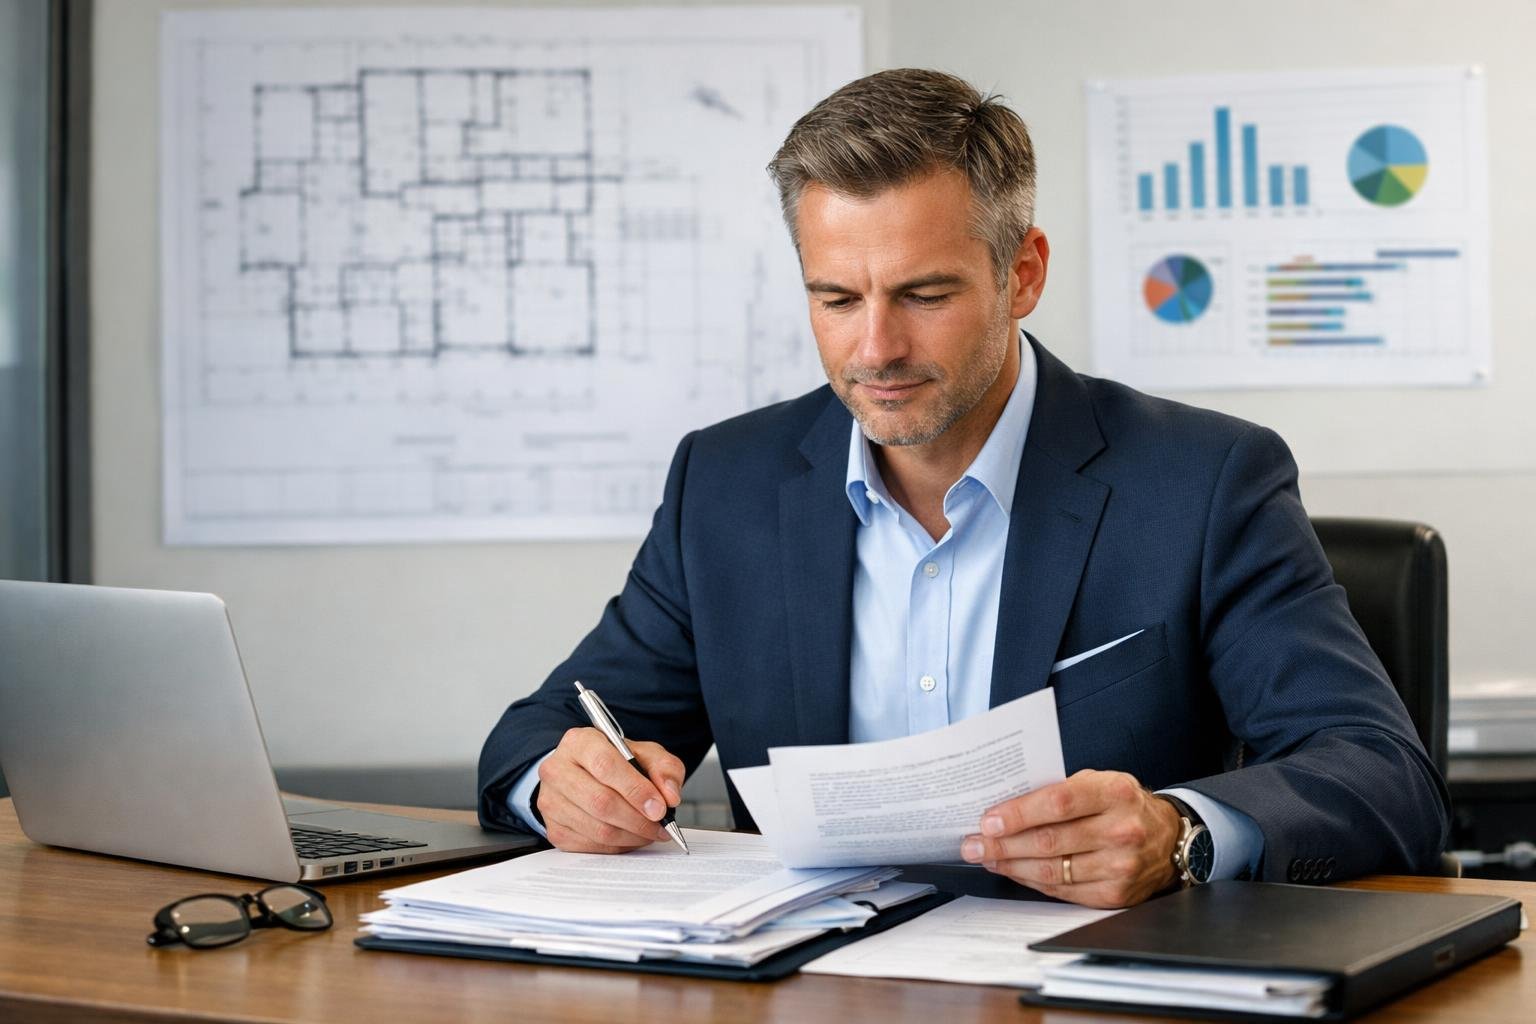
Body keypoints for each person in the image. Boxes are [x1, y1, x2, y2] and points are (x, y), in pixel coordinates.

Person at [478, 68, 1449, 909]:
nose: (875, 349)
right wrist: (558, 783)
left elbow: (1380, 772)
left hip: (1093, 986)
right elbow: (538, 733)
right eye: (837, 299)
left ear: (1022, 273)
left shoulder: (1201, 482)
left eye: (924, 295)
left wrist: (1178, 832)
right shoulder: (725, 486)